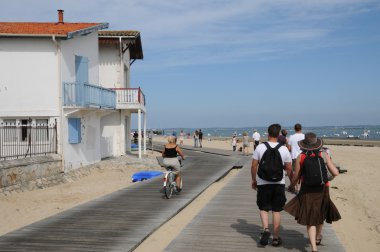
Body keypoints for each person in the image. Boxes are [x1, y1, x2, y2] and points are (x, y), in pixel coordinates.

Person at [285, 132, 341, 252]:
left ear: (305, 144)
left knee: (311, 218)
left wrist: (292, 186)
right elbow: (335, 172)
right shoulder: (324, 154)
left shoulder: (301, 156)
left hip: (307, 189)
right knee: (321, 213)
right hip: (323, 188)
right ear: (317, 144)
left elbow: (297, 176)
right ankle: (317, 237)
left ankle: (314, 249)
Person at [251, 124, 293, 247]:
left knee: (263, 208)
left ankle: (266, 229)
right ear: (279, 134)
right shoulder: (284, 149)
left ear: (268, 134)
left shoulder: (260, 147)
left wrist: (254, 180)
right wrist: (292, 182)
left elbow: (254, 166)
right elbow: (289, 168)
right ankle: (275, 238)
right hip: (279, 183)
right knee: (276, 210)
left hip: (263, 182)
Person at [287, 123, 305, 192]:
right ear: (301, 128)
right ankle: (302, 187)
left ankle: (297, 187)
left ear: (294, 129)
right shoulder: (304, 136)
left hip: (294, 156)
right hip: (303, 156)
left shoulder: (291, 137)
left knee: (295, 172)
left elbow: (289, 148)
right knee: (303, 172)